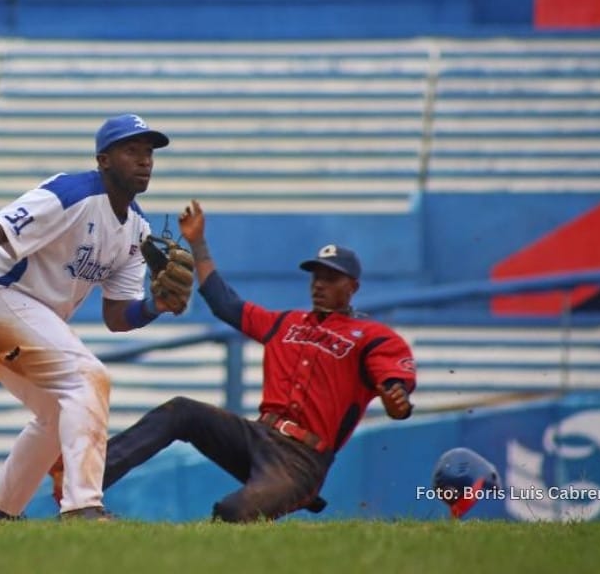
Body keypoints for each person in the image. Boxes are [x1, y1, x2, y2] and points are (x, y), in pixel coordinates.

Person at [99, 199, 417, 522]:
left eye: (331, 278)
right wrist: (198, 242)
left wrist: (397, 399)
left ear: (353, 287)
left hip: (301, 459)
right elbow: (225, 304)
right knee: (181, 412)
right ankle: (84, 483)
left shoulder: (371, 336)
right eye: (315, 276)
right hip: (256, 436)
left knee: (233, 513)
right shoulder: (287, 322)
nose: (320, 284)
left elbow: (394, 386)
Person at [0, 114, 187, 521]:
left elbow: (116, 315)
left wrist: (154, 307)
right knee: (88, 376)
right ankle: (82, 507)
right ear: (103, 159)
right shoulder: (71, 193)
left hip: (24, 314)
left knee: (58, 412)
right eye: (132, 151)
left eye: (148, 153)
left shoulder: (137, 231)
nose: (144, 161)